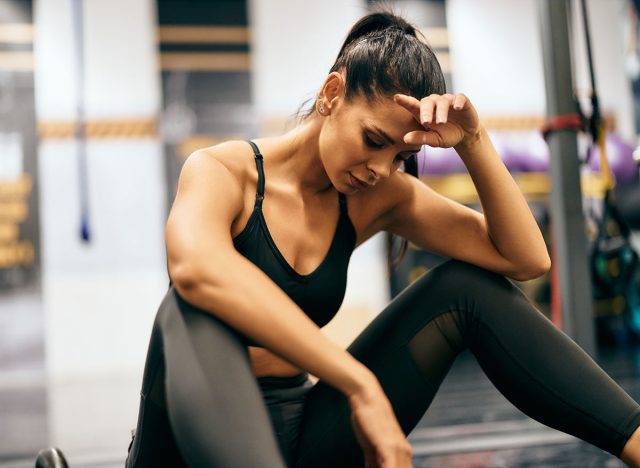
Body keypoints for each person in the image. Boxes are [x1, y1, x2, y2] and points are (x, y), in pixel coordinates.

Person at [124, 9, 640, 468]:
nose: (380, 169)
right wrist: (358, 383)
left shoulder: (378, 196)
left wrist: (474, 142)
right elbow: (196, 269)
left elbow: (525, 258)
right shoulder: (221, 170)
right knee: (188, 305)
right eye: (373, 140)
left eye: (398, 156)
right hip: (183, 443)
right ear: (331, 95)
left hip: (298, 435)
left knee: (467, 289)